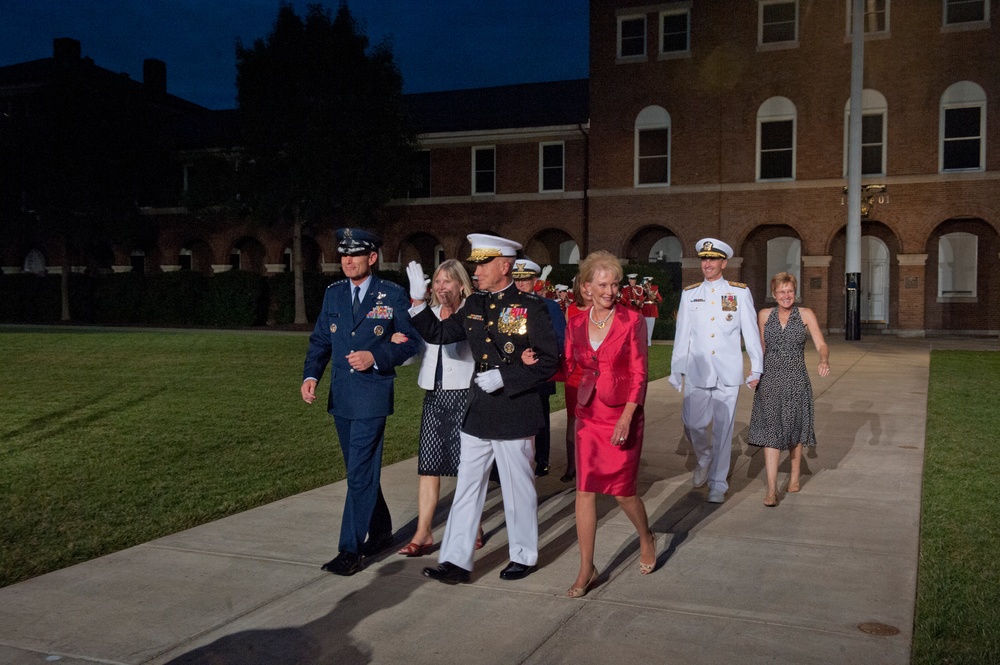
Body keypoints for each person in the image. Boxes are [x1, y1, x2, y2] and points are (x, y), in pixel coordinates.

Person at [405, 234, 560, 584]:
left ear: (504, 266)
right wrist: (416, 301)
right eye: (475, 264)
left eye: (482, 264)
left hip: (515, 410)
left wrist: (506, 376)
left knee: (517, 488)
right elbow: (440, 333)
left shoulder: (530, 307)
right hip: (479, 411)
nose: (476, 270)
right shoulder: (474, 306)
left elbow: (549, 359)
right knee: (467, 488)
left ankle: (523, 554)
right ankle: (456, 560)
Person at [531, 250, 655, 598]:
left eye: (615, 284)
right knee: (584, 492)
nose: (611, 290)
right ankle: (587, 567)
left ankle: (646, 536)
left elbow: (640, 375)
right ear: (586, 287)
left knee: (622, 493)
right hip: (589, 416)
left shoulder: (632, 321)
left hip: (622, 415)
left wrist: (628, 416)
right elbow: (568, 363)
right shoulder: (574, 323)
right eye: (603, 284)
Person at [301, 228, 420, 576]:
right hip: (342, 396)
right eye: (343, 255)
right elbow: (321, 340)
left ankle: (350, 549)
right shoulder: (334, 294)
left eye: (355, 255)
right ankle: (381, 531)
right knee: (360, 471)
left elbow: (412, 342)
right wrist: (311, 376)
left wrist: (376, 355)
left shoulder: (391, 294)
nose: (347, 261)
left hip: (372, 395)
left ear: (372, 258)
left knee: (359, 473)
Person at [668, 238, 763, 504]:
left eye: (712, 259)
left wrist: (757, 367)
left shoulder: (739, 292)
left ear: (724, 262)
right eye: (704, 259)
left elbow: (751, 333)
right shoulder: (690, 293)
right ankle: (704, 457)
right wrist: (677, 369)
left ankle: (718, 483)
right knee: (693, 424)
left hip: (728, 372)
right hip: (698, 371)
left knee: (723, 430)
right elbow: (682, 335)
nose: (707, 264)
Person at [393, 260, 478, 556]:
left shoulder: (471, 311)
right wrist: (397, 343)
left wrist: (416, 305)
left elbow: (442, 335)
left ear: (460, 285)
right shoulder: (427, 314)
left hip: (464, 394)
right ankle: (423, 531)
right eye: (438, 281)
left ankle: (472, 525)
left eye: (448, 282)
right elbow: (419, 348)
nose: (442, 287)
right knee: (428, 465)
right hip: (435, 393)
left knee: (466, 464)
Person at [747, 272, 830, 506]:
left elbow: (821, 344)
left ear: (795, 292)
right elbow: (759, 349)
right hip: (770, 380)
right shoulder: (764, 315)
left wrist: (823, 359)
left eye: (790, 291)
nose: (786, 295)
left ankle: (794, 476)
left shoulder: (806, 315)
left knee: (794, 429)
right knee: (772, 433)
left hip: (796, 379)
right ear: (774, 294)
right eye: (782, 292)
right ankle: (771, 489)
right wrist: (755, 373)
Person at [511, 258, 566, 477]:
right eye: (517, 278)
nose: (520, 283)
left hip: (540, 371)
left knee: (540, 416)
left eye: (525, 279)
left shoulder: (549, 306)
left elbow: (561, 339)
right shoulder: (507, 304)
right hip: (514, 371)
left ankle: (542, 459)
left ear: (535, 281)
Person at [560, 277, 593, 483]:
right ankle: (572, 465)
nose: (588, 289)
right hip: (575, 372)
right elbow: (567, 340)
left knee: (594, 420)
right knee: (572, 420)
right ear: (578, 288)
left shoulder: (605, 309)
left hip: (596, 371)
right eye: (585, 285)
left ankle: (591, 466)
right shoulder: (571, 309)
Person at [641, 276, 663, 346]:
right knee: (643, 328)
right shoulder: (641, 289)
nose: (648, 284)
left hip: (652, 310)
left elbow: (660, 299)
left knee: (650, 328)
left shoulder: (654, 289)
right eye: (647, 282)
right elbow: (641, 299)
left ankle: (648, 342)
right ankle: (643, 341)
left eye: (649, 282)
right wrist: (646, 293)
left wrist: (654, 296)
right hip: (644, 310)